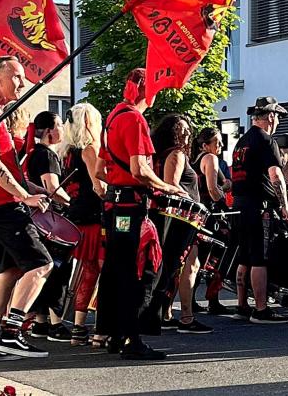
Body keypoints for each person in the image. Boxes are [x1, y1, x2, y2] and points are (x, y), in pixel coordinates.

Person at [0, 57, 52, 362]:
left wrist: (31, 190)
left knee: (10, 270)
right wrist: (23, 196)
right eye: (16, 76)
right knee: (42, 265)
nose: (22, 83)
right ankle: (11, 334)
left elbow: (4, 165)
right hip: (0, 207)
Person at [96, 69, 184, 360]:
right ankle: (133, 339)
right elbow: (139, 169)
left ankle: (114, 334)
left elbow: (99, 170)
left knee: (116, 271)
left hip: (114, 206)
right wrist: (168, 188)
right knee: (144, 270)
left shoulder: (112, 117)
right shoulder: (135, 119)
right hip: (132, 207)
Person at [230, 96, 288, 324]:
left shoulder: (241, 143)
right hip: (258, 206)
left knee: (244, 255)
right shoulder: (266, 141)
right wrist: (285, 207)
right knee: (260, 257)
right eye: (277, 117)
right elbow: (276, 175)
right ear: (271, 116)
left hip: (238, 205)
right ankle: (261, 308)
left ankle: (241, 304)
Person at [149, 114, 213, 335]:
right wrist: (193, 201)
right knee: (187, 266)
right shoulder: (176, 154)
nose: (186, 134)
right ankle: (186, 317)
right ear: (172, 132)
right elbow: (171, 185)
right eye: (181, 130)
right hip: (182, 219)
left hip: (181, 219)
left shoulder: (169, 153)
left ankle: (168, 314)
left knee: (174, 267)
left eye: (188, 130)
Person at [56, 103, 107, 347]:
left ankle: (78, 328)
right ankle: (100, 329)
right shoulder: (89, 149)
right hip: (95, 218)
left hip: (77, 217)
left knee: (88, 273)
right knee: (103, 273)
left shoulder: (66, 151)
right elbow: (100, 187)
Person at [22, 111, 74, 344]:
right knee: (58, 271)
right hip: (52, 219)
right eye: (60, 125)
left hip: (40, 219)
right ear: (51, 131)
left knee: (46, 269)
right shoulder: (47, 155)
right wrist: (72, 202)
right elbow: (52, 186)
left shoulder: (33, 153)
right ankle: (56, 323)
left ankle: (41, 322)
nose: (62, 129)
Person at [185, 126, 231, 317]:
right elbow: (213, 190)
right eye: (217, 142)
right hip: (211, 214)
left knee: (198, 259)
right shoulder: (211, 159)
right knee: (217, 256)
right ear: (205, 145)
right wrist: (223, 199)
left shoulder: (194, 161)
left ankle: (193, 299)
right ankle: (213, 298)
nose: (220, 145)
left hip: (198, 213)